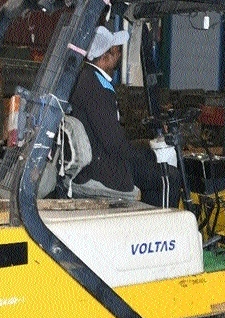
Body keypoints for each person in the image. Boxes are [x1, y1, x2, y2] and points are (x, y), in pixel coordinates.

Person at [70, 26, 180, 207]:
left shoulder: (86, 78)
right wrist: (146, 157)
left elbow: (107, 130)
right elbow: (114, 144)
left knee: (148, 157)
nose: (120, 55)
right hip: (103, 168)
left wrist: (145, 152)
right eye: (117, 51)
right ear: (105, 56)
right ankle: (159, 229)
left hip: (96, 158)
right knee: (170, 177)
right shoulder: (98, 90)